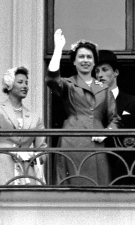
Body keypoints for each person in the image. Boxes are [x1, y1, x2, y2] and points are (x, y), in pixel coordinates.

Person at [46, 29, 120, 186]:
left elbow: (115, 118)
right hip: (72, 141)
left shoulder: (104, 89)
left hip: (97, 144)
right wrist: (58, 48)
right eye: (81, 57)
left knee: (98, 188)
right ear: (74, 61)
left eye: (89, 57)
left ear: (94, 62)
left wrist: (107, 132)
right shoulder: (68, 84)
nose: (85, 60)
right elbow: (52, 78)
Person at [0, 67, 46, 186]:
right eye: (20, 82)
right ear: (9, 85)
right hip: (2, 169)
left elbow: (42, 149)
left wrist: (35, 158)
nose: (25, 86)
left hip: (27, 172)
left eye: (26, 83)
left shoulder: (35, 116)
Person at [95, 50, 135, 185]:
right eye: (97, 71)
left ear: (116, 72)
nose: (100, 75)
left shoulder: (134, 102)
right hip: (99, 168)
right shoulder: (91, 104)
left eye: (104, 70)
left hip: (128, 169)